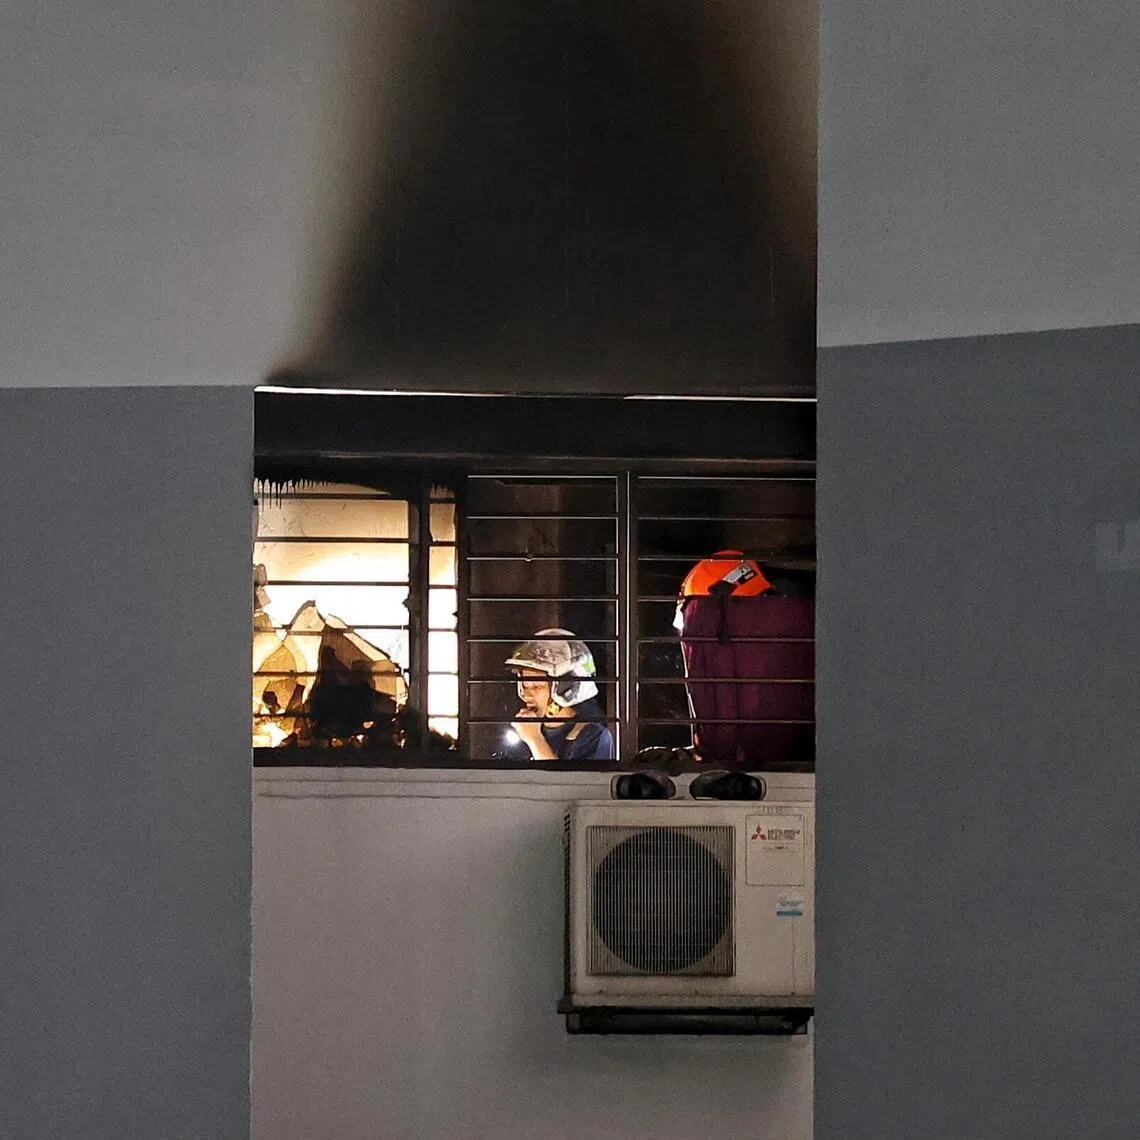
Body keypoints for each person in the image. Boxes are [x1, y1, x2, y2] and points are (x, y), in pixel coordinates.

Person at [503, 629, 615, 762]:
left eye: (536, 686)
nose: (527, 694)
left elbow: (566, 782)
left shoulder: (594, 737)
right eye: (525, 685)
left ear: (566, 686)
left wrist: (535, 740)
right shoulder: (522, 732)